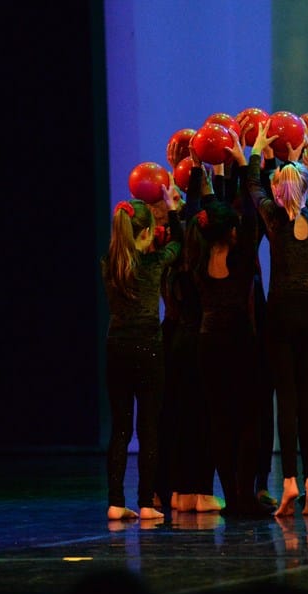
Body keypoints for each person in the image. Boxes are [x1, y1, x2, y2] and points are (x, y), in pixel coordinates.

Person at [242, 119, 308, 517]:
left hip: (280, 314)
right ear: (307, 189)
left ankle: (291, 482)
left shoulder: (274, 219)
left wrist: (257, 151)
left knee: (288, 399)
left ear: (279, 192)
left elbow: (253, 186)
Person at [194, 137, 271, 518]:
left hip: (209, 344)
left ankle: (230, 497)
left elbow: (207, 213)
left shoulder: (199, 255)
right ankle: (245, 495)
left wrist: (202, 176)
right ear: (233, 233)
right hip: (240, 344)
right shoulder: (241, 260)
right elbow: (253, 215)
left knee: (220, 421)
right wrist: (246, 161)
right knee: (249, 420)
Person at [101, 191, 183, 521]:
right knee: (148, 428)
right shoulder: (155, 263)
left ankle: (115, 502)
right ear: (147, 233)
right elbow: (179, 244)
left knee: (120, 429)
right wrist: (173, 211)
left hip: (117, 348)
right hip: (148, 348)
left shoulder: (108, 265)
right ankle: (147, 502)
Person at [162, 156, 225, 513]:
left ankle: (179, 491)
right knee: (203, 417)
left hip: (176, 341)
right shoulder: (203, 263)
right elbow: (205, 227)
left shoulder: (172, 260)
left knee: (180, 416)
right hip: (201, 340)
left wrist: (176, 207)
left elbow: (183, 234)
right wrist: (208, 181)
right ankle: (201, 491)